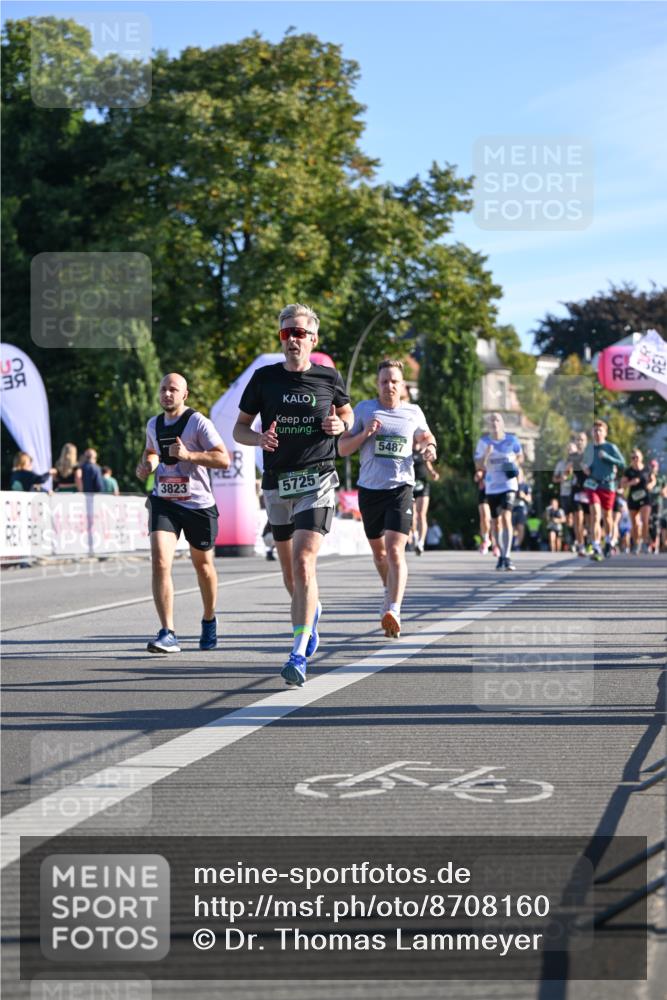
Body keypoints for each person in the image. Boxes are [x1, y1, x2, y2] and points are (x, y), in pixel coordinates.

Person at [233, 303, 353, 687]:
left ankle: (298, 653)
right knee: (289, 574)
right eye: (287, 333)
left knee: (304, 563)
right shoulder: (264, 378)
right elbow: (239, 429)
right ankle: (311, 614)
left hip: (317, 479)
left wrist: (339, 423)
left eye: (300, 333)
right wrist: (259, 438)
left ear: (312, 339)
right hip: (277, 483)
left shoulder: (328, 377)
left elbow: (348, 416)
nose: (293, 340)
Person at [338, 359, 437, 638]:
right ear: (377, 384)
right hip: (370, 491)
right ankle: (387, 590)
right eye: (384, 381)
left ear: (402, 385)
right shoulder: (364, 410)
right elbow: (343, 448)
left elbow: (426, 435)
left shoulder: (412, 412)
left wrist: (430, 446)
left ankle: (394, 609)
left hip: (401, 489)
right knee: (380, 554)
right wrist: (366, 433)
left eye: (394, 381)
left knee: (395, 551)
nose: (389, 386)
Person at [136, 372, 231, 653]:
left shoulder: (198, 422)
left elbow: (223, 458)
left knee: (203, 566)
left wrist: (189, 455)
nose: (167, 394)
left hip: (198, 504)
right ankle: (168, 632)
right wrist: (148, 465)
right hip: (164, 501)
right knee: (160, 561)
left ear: (184, 395)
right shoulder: (153, 423)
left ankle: (209, 618)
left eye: (173, 389)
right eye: (163, 389)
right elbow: (151, 451)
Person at [474, 412, 523, 571]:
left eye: (498, 420)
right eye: (492, 420)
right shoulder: (483, 442)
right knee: (495, 522)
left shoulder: (511, 440)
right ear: (489, 425)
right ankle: (501, 555)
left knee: (506, 516)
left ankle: (507, 556)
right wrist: (487, 454)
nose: (495, 422)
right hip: (492, 485)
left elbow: (520, 456)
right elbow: (479, 465)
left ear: (502, 424)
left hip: (509, 484)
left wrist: (514, 462)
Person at [582, 420, 625, 561]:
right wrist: (585, 468)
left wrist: (607, 458)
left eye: (600, 430)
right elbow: (584, 463)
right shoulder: (589, 449)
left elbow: (622, 463)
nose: (597, 433)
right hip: (593, 484)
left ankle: (608, 541)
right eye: (595, 430)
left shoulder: (610, 447)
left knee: (607, 517)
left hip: (608, 485)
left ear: (605, 433)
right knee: (595, 514)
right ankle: (595, 546)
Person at [620, 448, 654, 555]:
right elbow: (622, 485)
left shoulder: (647, 469)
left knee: (645, 520)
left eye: (637, 457)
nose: (635, 459)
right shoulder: (628, 471)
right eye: (633, 457)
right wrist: (631, 483)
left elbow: (653, 480)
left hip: (645, 497)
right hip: (633, 498)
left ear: (641, 457)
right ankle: (636, 544)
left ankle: (644, 543)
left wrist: (651, 485)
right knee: (634, 523)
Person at [411, 441, 439, 555]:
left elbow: (428, 465)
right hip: (410, 484)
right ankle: (415, 535)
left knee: (422, 514)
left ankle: (421, 543)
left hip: (423, 485)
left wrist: (433, 473)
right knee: (413, 515)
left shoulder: (423, 450)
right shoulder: (407, 449)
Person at [512, 472, 532, 550]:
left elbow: (529, 499)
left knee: (520, 527)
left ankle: (517, 545)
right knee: (512, 527)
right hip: (512, 507)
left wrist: (523, 496)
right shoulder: (512, 484)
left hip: (521, 507)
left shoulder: (525, 486)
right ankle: (513, 543)